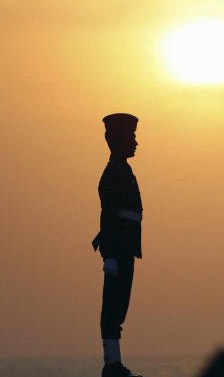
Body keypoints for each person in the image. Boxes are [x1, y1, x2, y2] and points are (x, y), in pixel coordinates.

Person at [92, 113, 144, 377]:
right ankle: (112, 363)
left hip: (125, 247)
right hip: (118, 248)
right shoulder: (113, 173)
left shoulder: (121, 170)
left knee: (119, 304)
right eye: (131, 138)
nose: (136, 143)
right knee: (113, 306)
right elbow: (109, 216)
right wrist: (109, 254)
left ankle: (115, 363)